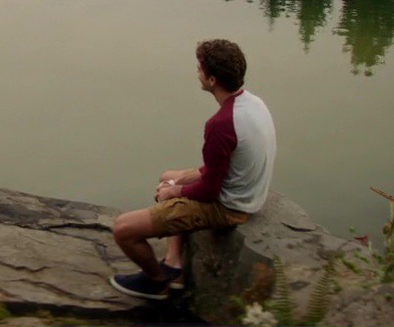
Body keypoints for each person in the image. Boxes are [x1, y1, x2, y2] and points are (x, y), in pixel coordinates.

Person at [108, 39, 276, 300]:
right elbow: (221, 166)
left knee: (123, 229)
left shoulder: (220, 124)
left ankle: (157, 281)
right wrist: (176, 184)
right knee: (167, 177)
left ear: (212, 80)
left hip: (229, 207)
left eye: (199, 69)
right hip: (248, 191)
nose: (196, 72)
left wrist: (174, 192)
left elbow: (209, 190)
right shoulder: (254, 103)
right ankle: (174, 263)